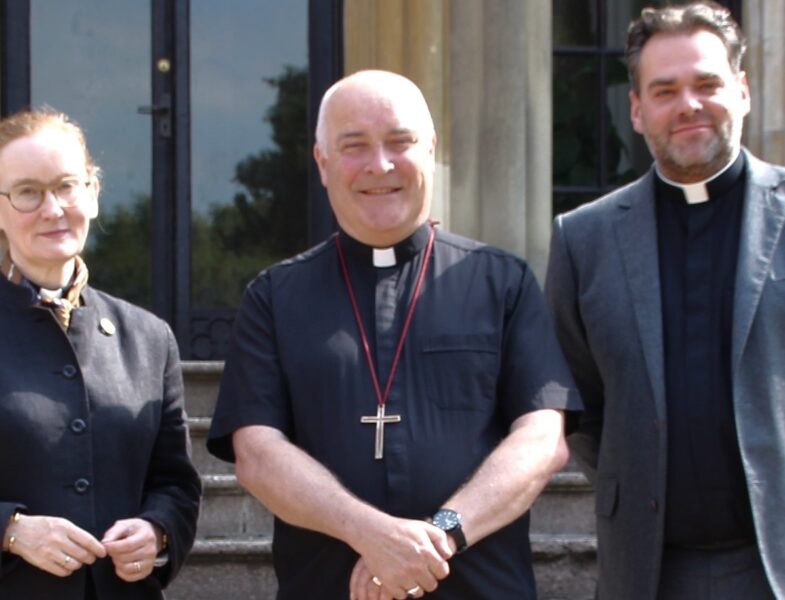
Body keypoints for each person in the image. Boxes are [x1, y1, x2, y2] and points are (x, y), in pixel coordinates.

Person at [207, 69, 581, 600]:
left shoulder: (504, 283)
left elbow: (542, 439)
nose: (379, 165)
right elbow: (257, 453)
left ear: (430, 148)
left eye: (399, 143)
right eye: (354, 146)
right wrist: (372, 534)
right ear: (322, 162)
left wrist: (440, 537)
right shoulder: (273, 297)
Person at [545, 2, 784, 598]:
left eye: (707, 84)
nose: (688, 106)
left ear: (743, 90)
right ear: (636, 107)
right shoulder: (583, 239)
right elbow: (577, 400)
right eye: (665, 90)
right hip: (648, 570)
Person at [0, 110, 201, 599]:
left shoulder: (149, 338)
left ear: (92, 192)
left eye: (67, 186)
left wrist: (156, 533)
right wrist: (9, 530)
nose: (52, 209)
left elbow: (175, 484)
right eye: (27, 192)